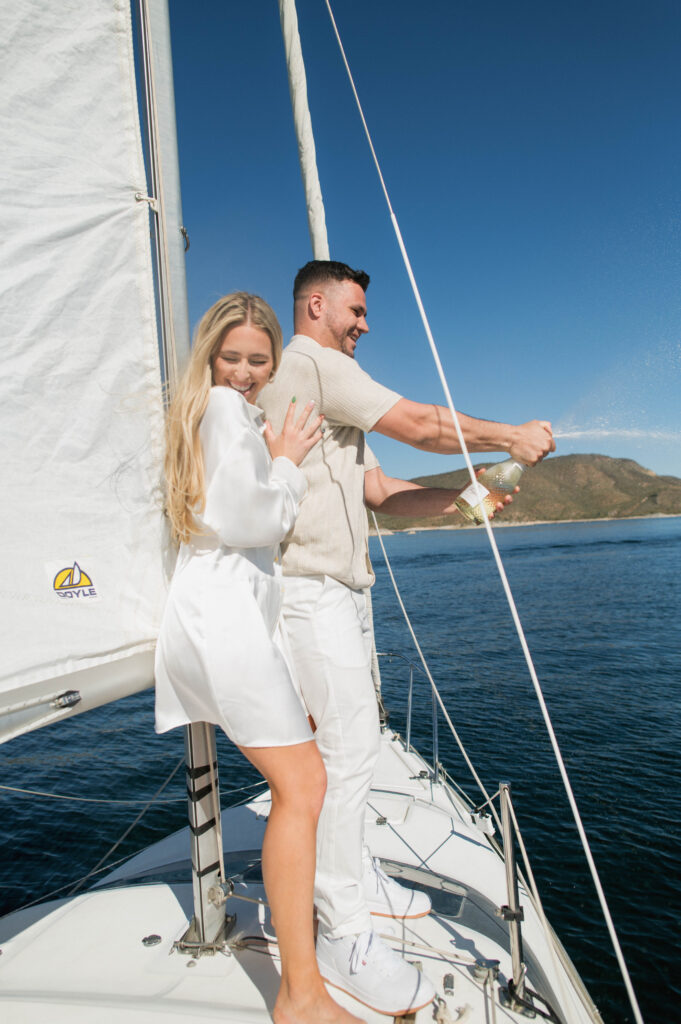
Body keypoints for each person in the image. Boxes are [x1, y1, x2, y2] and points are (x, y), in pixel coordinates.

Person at [260, 261, 556, 1016]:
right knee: (346, 756)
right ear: (316, 306)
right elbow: (421, 424)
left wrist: (470, 491)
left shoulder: (329, 398)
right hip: (307, 591)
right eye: (355, 311)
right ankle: (343, 933)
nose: (364, 323)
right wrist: (510, 433)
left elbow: (383, 493)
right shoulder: (310, 365)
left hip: (342, 592)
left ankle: (353, 876)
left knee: (354, 752)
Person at [154, 292, 365, 1024]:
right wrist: (287, 462)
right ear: (210, 356)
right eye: (231, 357)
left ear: (273, 360)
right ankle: (301, 994)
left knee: (300, 784)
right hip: (225, 618)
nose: (243, 372)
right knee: (304, 786)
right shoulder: (221, 412)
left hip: (228, 615)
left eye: (257, 359)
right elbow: (253, 523)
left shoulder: (216, 414)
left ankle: (301, 982)